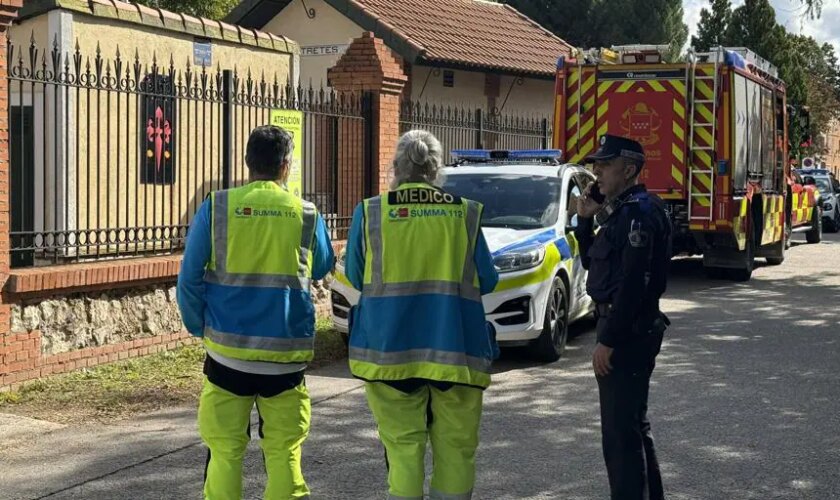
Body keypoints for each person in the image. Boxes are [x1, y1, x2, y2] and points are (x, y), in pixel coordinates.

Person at [177, 125, 334, 499]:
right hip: (286, 356)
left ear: (248, 162)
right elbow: (322, 264)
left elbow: (189, 278)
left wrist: (201, 327)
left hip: (227, 354)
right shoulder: (306, 212)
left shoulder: (217, 207)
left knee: (225, 451)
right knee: (284, 452)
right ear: (286, 165)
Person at [343, 130, 499, 499]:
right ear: (436, 169)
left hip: (390, 351)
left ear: (396, 167)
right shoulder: (465, 213)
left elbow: (355, 275)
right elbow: (488, 281)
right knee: (456, 450)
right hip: (456, 352)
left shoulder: (371, 213)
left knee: (403, 450)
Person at [575, 134, 672, 500]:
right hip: (624, 327)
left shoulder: (638, 214)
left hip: (627, 330)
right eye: (596, 164)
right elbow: (593, 264)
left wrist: (609, 340)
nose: (596, 171)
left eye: (605, 164)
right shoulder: (621, 212)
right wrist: (584, 220)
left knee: (619, 436)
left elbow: (634, 284)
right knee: (632, 427)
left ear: (628, 169)